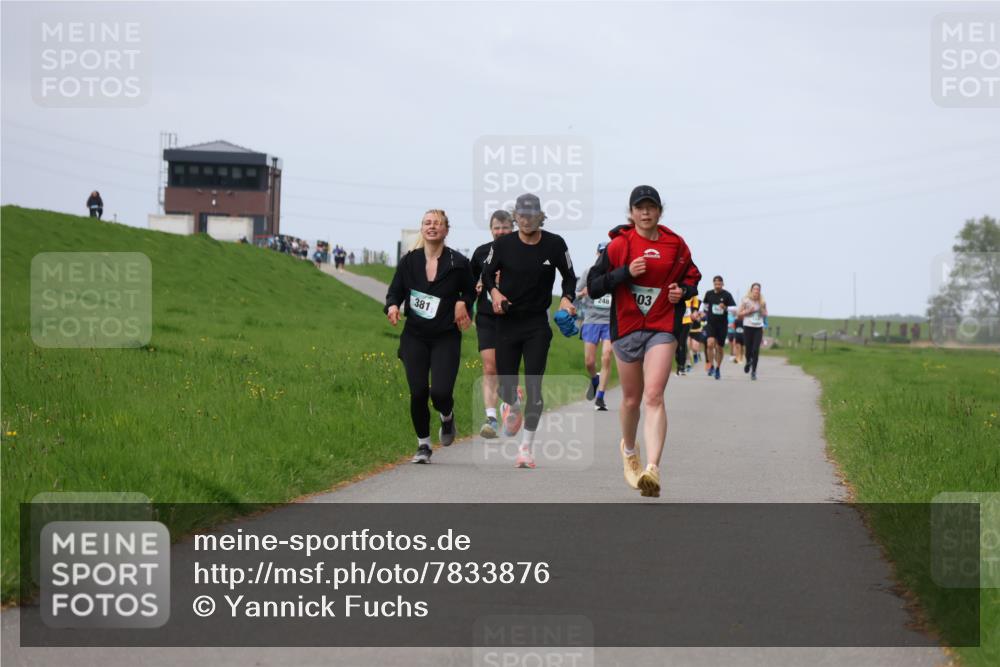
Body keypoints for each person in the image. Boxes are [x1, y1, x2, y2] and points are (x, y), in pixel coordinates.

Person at [588, 185, 701, 497]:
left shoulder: (675, 244)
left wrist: (683, 292)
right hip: (627, 327)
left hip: (662, 326)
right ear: (631, 213)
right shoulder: (619, 246)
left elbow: (692, 278)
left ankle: (653, 468)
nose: (646, 212)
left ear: (660, 211)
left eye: (651, 207)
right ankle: (629, 451)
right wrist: (624, 272)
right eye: (640, 207)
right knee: (631, 400)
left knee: (654, 395)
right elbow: (595, 287)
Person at [481, 193, 577, 469]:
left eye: (531, 215)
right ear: (516, 216)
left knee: (534, 387)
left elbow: (569, 277)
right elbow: (487, 274)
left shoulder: (555, 244)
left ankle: (526, 449)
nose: (526, 220)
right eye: (521, 215)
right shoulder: (503, 245)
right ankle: (512, 403)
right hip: (507, 322)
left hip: (537, 324)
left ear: (540, 216)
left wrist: (567, 298)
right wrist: (495, 293)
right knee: (505, 387)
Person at [385, 210, 475, 464]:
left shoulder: (458, 262)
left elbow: (470, 291)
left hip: (445, 337)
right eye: (427, 223)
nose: (432, 227)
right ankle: (423, 445)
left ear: (446, 230)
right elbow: (395, 291)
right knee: (418, 392)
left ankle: (447, 416)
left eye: (437, 223)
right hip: (415, 336)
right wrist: (392, 306)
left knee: (441, 393)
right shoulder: (409, 261)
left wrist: (463, 302)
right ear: (422, 228)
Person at [470, 210, 514, 437]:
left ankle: (510, 402)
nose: (501, 232)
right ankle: (491, 418)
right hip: (487, 316)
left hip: (512, 318)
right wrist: (477, 286)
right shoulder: (480, 253)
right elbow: (468, 283)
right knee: (489, 367)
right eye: (497, 227)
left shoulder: (522, 252)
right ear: (491, 229)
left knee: (506, 367)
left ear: (513, 229)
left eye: (505, 227)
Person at [576, 242, 613, 410]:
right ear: (597, 254)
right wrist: (582, 293)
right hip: (591, 320)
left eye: (607, 253)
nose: (604, 256)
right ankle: (594, 379)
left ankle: (600, 397)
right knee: (589, 362)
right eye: (601, 253)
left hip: (610, 321)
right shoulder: (589, 272)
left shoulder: (615, 273)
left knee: (606, 356)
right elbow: (575, 293)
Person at [702, 276, 736, 380]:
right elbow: (705, 306)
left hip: (722, 325)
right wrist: (703, 314)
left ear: (722, 284)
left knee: (719, 348)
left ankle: (718, 368)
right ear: (713, 284)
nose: (717, 286)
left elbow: (734, 308)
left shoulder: (727, 295)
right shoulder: (709, 294)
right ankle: (711, 366)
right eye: (716, 284)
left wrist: (725, 307)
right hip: (711, 324)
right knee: (710, 343)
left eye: (719, 284)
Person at [738, 282, 768, 380]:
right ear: (751, 290)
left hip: (758, 328)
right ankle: (748, 362)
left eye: (758, 289)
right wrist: (749, 311)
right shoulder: (745, 300)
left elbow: (765, 314)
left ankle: (754, 372)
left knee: (755, 350)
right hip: (748, 326)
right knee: (748, 348)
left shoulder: (762, 301)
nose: (756, 291)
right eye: (754, 289)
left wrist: (762, 310)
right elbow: (739, 314)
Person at [686, 296, 704, 371]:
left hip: (696, 329)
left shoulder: (699, 302)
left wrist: (698, 317)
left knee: (694, 347)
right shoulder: (685, 301)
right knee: (687, 346)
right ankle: (688, 363)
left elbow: (702, 315)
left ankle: (695, 353)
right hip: (687, 327)